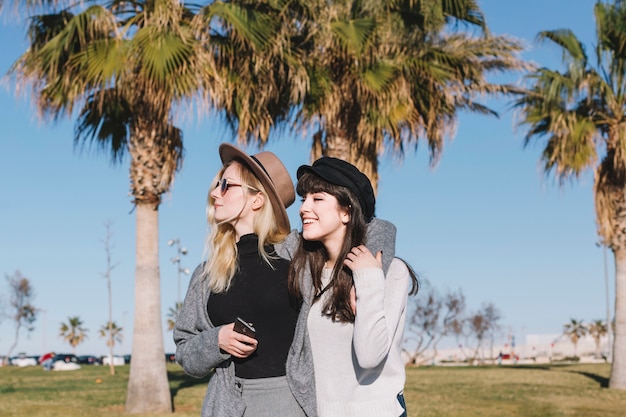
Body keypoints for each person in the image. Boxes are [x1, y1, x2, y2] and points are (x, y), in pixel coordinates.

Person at [174, 143, 311, 417]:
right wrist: (217, 341)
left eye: (226, 185)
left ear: (256, 199)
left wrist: (367, 278)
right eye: (216, 185)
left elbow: (371, 229)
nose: (214, 193)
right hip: (230, 407)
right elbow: (185, 351)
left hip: (294, 405)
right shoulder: (206, 275)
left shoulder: (301, 254)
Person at [288, 157, 419, 417]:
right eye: (304, 199)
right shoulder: (307, 273)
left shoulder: (391, 272)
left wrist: (369, 280)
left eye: (318, 199)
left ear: (346, 212)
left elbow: (370, 357)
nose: (304, 208)